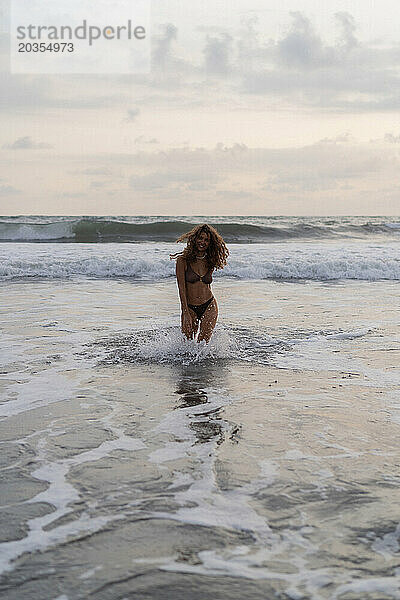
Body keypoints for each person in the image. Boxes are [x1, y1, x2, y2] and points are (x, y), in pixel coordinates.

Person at [170, 224, 229, 343]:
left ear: (210, 243)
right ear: (195, 239)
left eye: (206, 240)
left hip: (209, 305)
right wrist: (185, 313)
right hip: (190, 308)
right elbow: (181, 289)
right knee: (186, 347)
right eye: (200, 238)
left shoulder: (210, 260)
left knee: (203, 346)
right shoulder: (183, 260)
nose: (202, 242)